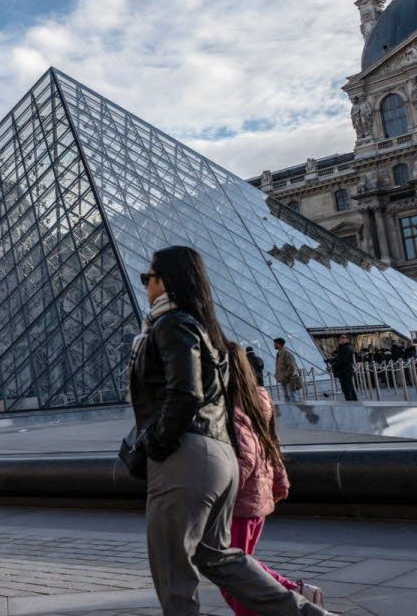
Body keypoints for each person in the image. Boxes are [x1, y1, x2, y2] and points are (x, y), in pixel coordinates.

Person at [128, 246, 329, 615]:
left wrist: (158, 443)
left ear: (166, 280)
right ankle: (307, 613)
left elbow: (184, 392)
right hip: (220, 457)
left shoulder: (172, 323)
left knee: (172, 567)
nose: (145, 286)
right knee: (219, 557)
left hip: (185, 455)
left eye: (148, 278)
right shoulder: (205, 329)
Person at [224, 343, 326, 614]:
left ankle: (292, 595)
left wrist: (212, 494)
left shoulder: (232, 408)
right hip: (256, 497)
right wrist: (279, 482)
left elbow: (243, 458)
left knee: (233, 571)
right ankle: (295, 592)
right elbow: (270, 444)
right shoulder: (255, 399)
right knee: (238, 565)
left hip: (240, 501)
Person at [274, 338, 302, 402]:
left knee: (292, 396)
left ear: (278, 344)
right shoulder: (278, 354)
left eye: (275, 344)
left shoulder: (287, 354)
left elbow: (292, 367)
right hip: (283, 380)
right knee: (286, 397)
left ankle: (296, 411)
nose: (274, 345)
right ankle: (290, 411)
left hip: (289, 380)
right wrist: (277, 375)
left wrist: (285, 376)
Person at [331, 334, 358, 402]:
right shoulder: (346, 347)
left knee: (346, 388)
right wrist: (333, 360)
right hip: (346, 369)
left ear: (347, 339)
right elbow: (341, 358)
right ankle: (355, 402)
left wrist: (334, 366)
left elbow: (342, 360)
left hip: (344, 370)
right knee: (350, 387)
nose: (340, 339)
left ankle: (350, 404)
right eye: (340, 337)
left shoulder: (345, 347)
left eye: (343, 337)